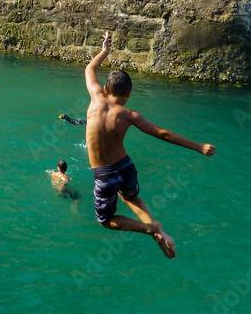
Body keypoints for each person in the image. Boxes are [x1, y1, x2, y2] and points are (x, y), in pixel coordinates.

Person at [84, 32, 216, 259]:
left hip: (103, 174)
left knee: (106, 221)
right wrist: (198, 146)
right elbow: (163, 134)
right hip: (125, 166)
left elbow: (89, 70)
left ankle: (150, 229)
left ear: (106, 90)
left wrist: (105, 50)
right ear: (129, 93)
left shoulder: (96, 97)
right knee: (131, 197)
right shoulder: (130, 115)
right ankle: (160, 233)